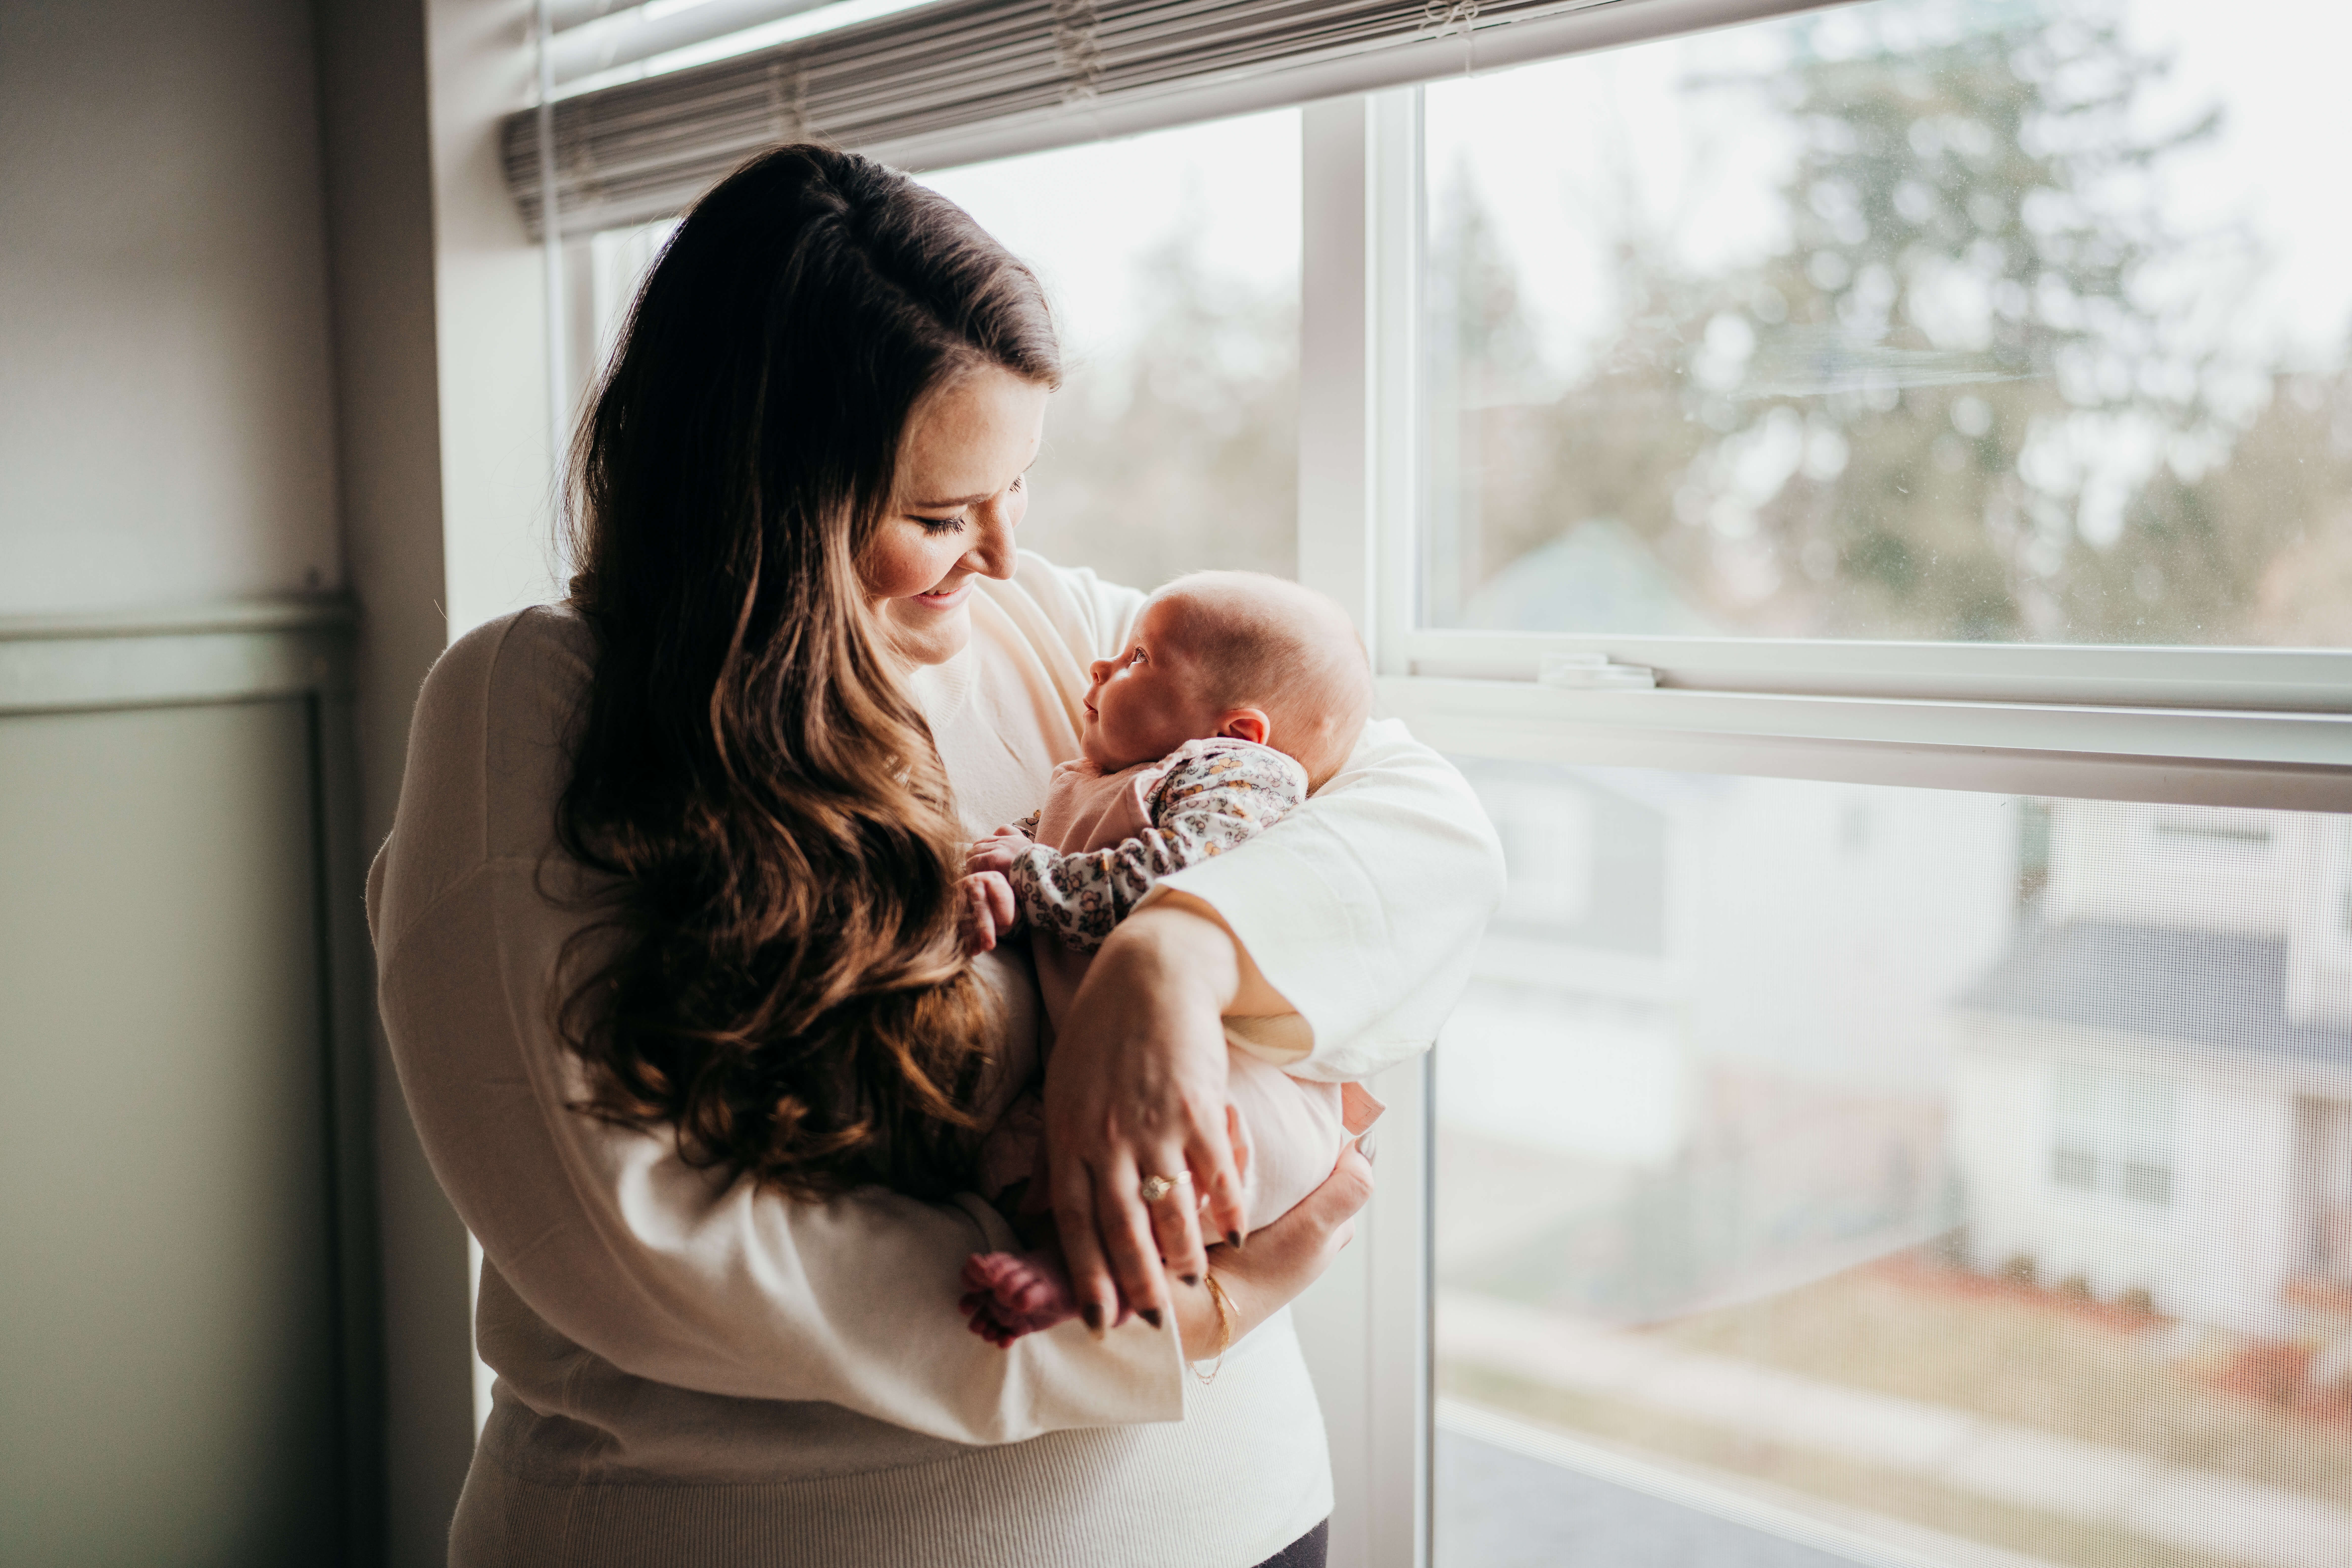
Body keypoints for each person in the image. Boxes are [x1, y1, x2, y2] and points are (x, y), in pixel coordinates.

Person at [368, 143, 1504, 1567]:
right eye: (937, 514)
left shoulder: (1059, 640)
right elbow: (642, 1253)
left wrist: (1172, 953)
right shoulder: (539, 705)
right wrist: (1175, 1320)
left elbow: (1421, 816)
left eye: (1019, 486)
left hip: (1242, 1515)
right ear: (758, 504)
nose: (1005, 558)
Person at [957, 571, 1386, 1346]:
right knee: (1031, 1158)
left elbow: (1166, 875)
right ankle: (1074, 1261)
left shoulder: (1237, 779)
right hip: (1108, 1058)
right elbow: (1023, 865)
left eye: (1138, 660)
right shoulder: (1087, 780)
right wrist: (991, 887)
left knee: (1159, 1159)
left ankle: (1093, 1275)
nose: (1100, 668)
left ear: (1235, 732)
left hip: (1233, 1083)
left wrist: (1026, 873)